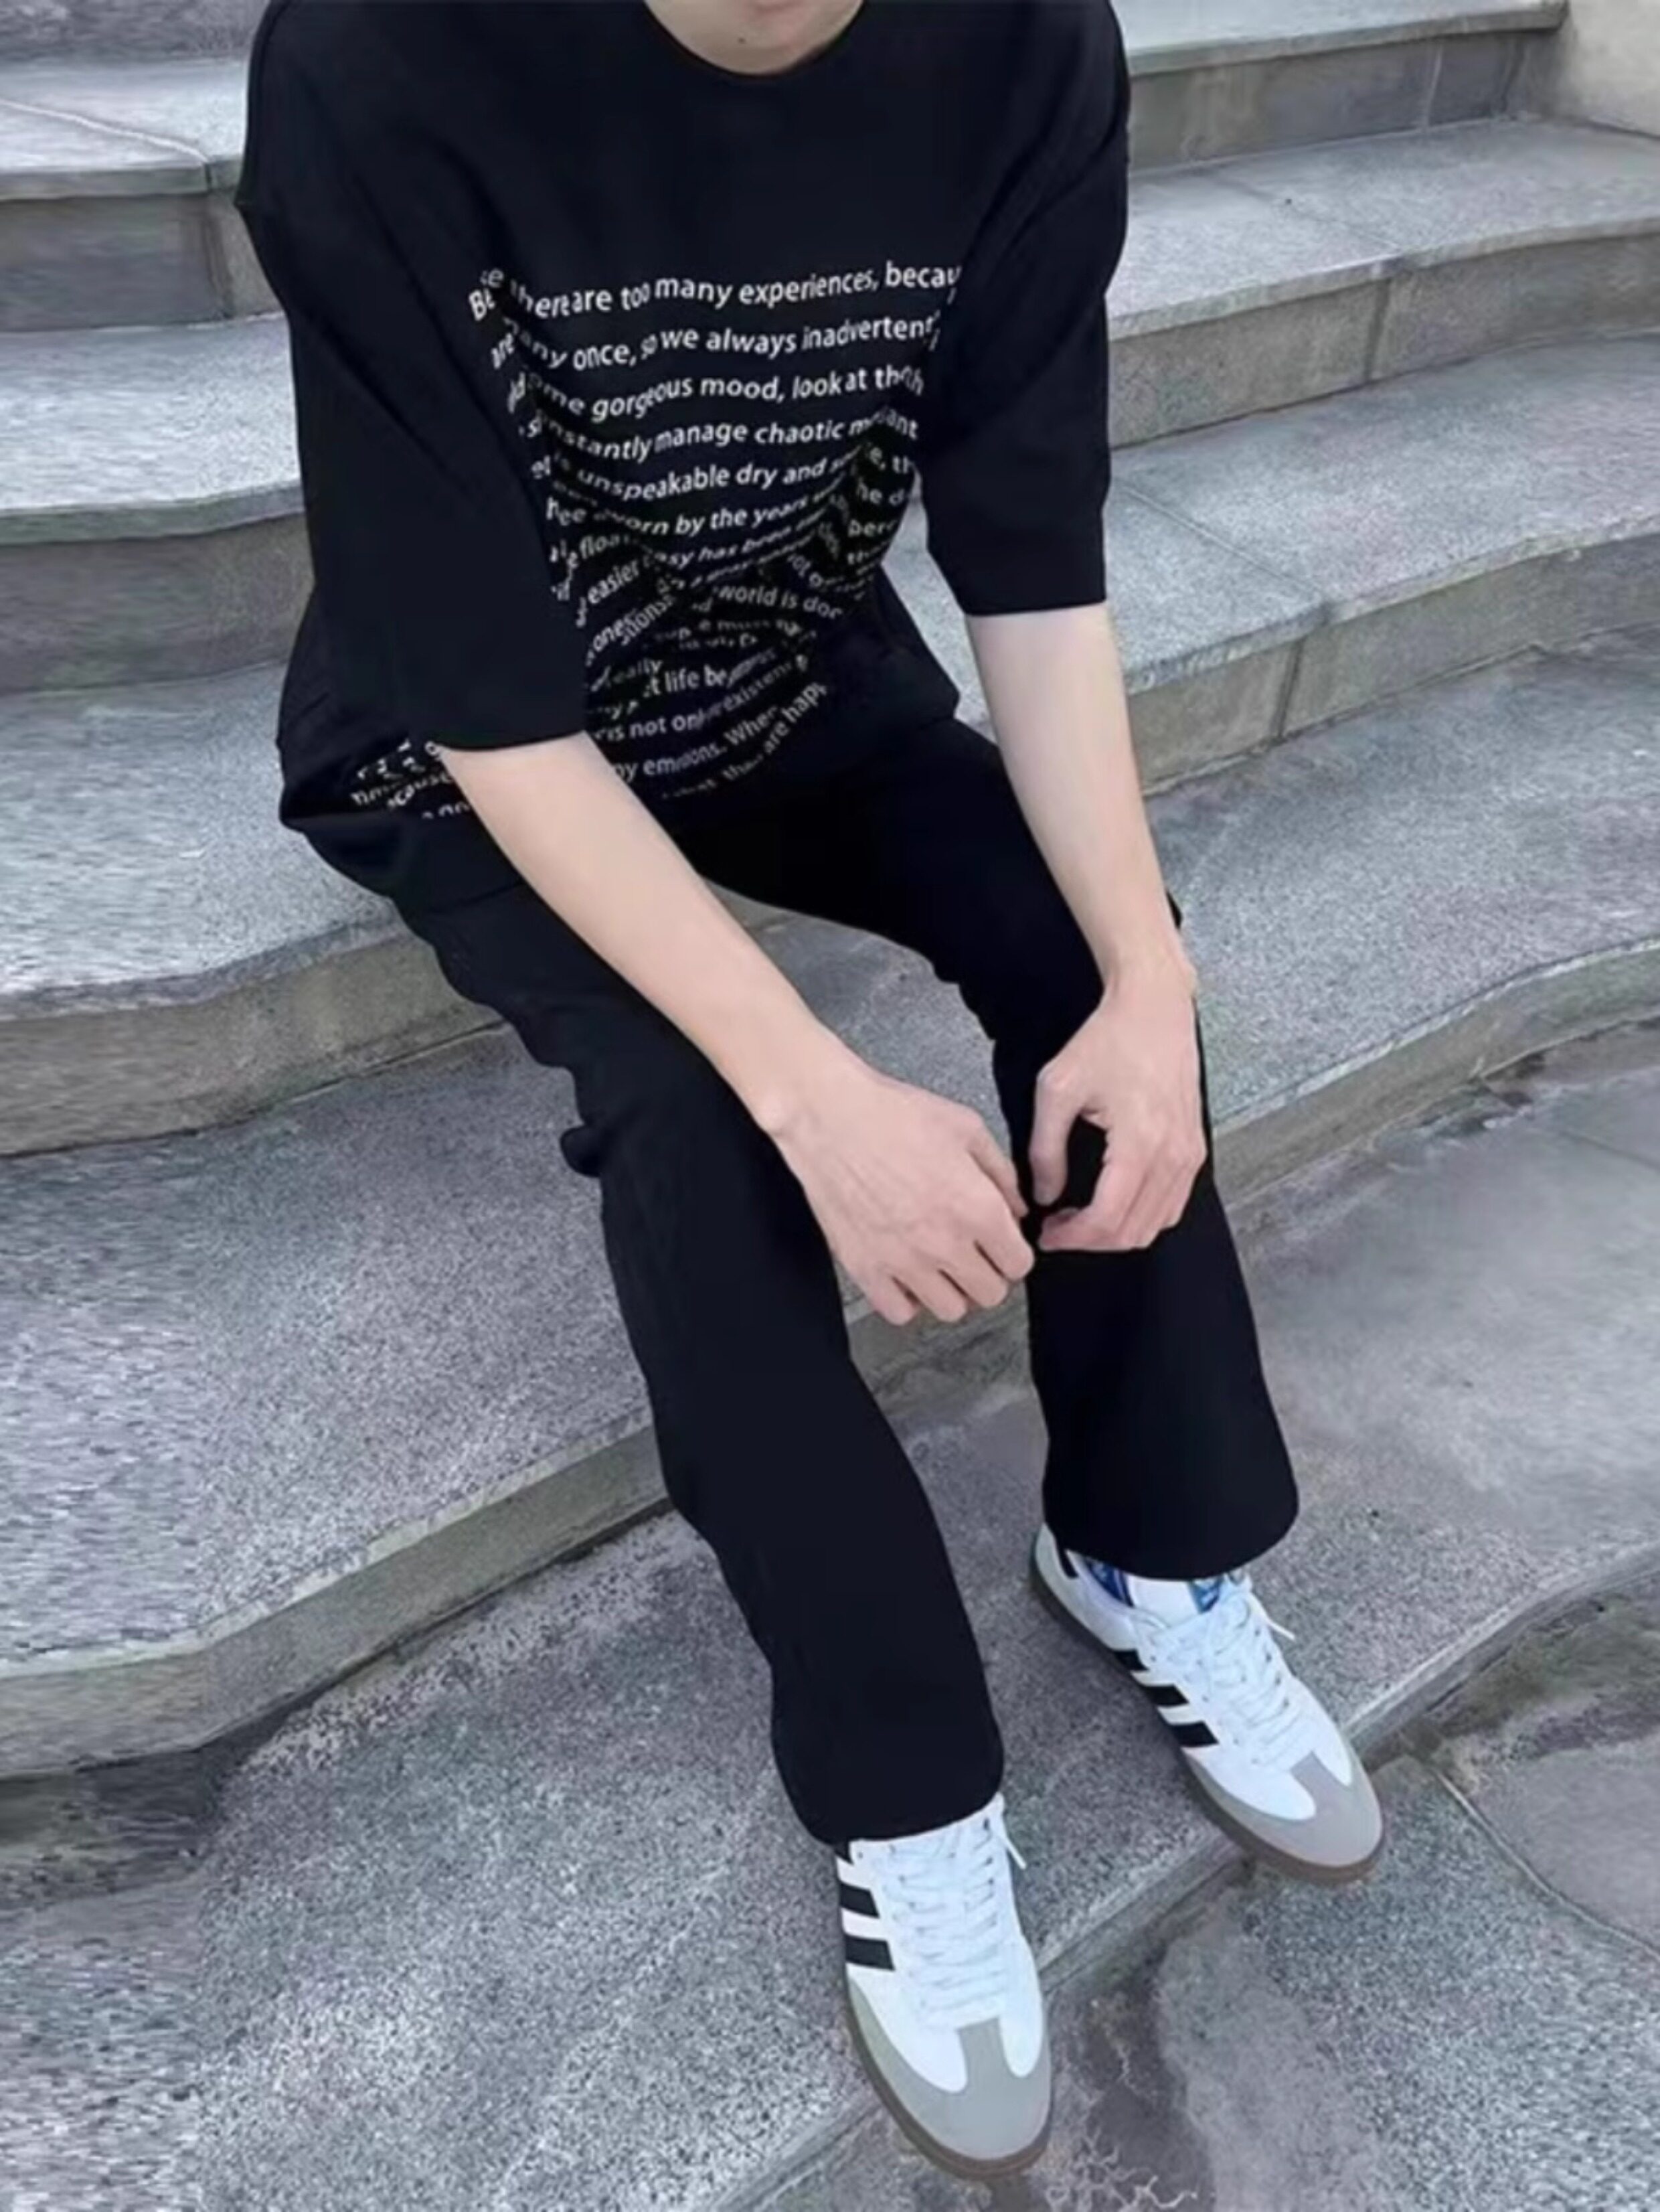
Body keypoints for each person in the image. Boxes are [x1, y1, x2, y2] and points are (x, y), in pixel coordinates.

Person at [237, 0, 1383, 2177]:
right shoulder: (382, 58)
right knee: (698, 1116)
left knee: (1092, 965)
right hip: (473, 756)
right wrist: (805, 1080)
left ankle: (1147, 1551)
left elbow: (1031, 563)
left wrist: (1151, 980)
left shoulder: (1023, 46)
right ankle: (905, 1789)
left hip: (786, 683)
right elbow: (477, 687)